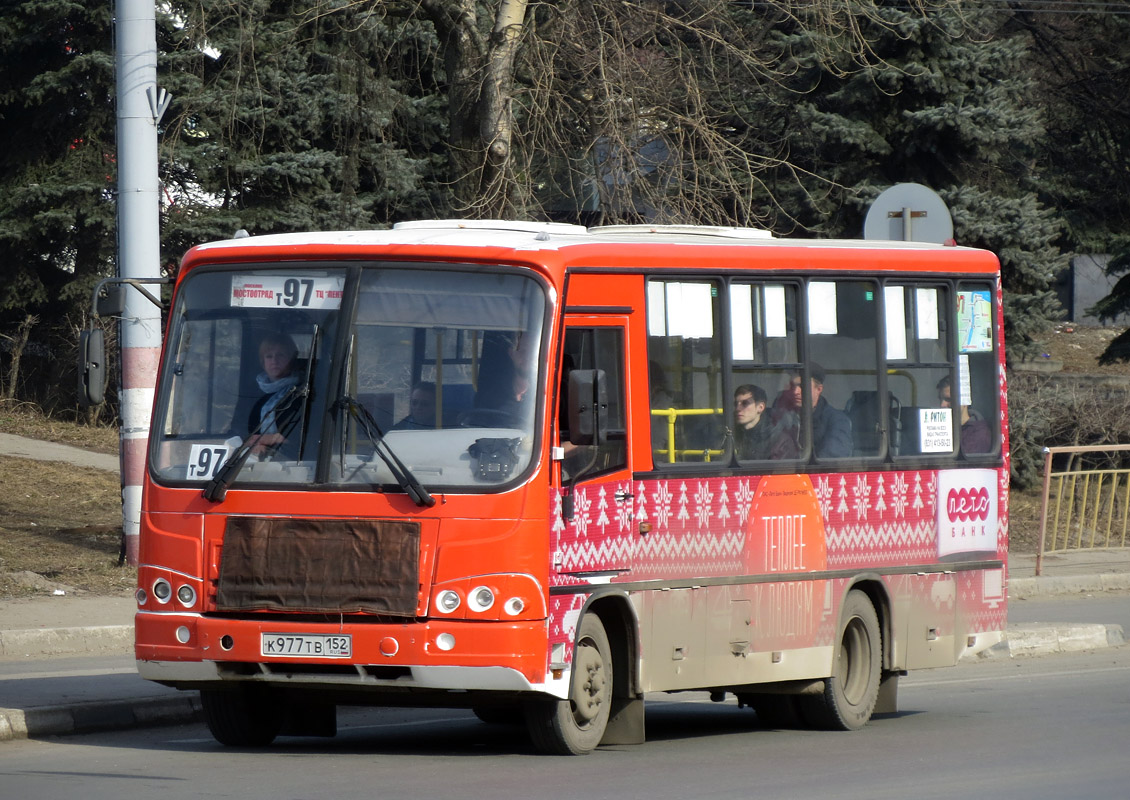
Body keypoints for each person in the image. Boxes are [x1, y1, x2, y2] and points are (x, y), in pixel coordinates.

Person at [775, 364, 852, 458]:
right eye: (792, 386)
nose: (795, 392)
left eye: (802, 386)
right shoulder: (784, 416)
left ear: (819, 389)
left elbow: (832, 458)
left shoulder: (837, 420)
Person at [247, 332, 301, 457]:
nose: (274, 361)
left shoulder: (303, 394)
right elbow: (241, 431)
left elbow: (304, 438)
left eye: (280, 355)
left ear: (292, 359)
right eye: (269, 356)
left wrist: (273, 438)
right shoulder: (254, 396)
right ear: (262, 362)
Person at [937, 375, 991, 454]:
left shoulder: (979, 434)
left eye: (948, 399)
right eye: (940, 399)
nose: (942, 405)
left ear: (965, 400)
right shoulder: (944, 427)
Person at [733, 384, 771, 460]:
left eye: (745, 403)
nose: (738, 408)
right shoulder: (730, 434)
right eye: (736, 404)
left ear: (760, 407)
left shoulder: (777, 439)